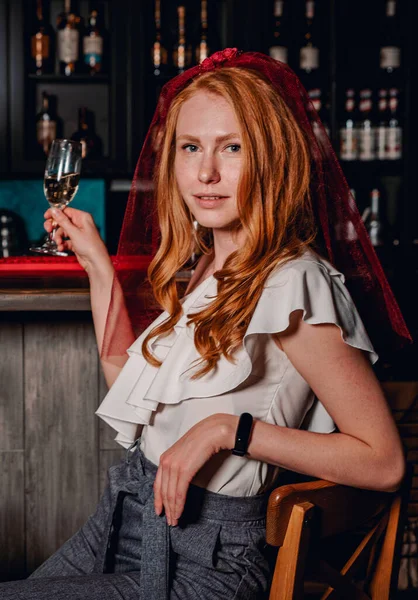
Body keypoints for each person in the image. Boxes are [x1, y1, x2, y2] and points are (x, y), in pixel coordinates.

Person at [0, 49, 411, 599]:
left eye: (232, 148)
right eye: (191, 147)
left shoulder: (295, 282)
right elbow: (126, 384)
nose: (206, 172)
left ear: (271, 159)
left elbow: (382, 463)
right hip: (124, 521)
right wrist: (98, 266)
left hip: (209, 562)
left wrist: (229, 430)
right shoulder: (206, 267)